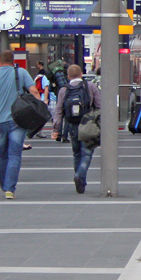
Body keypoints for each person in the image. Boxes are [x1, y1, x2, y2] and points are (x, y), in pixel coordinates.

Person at [0, 51, 42, 199]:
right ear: (13, 61)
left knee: (2, 155)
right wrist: (40, 108)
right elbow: (33, 91)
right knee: (14, 155)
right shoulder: (21, 72)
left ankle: (4, 184)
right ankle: (10, 188)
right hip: (18, 121)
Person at [51, 65, 101, 193]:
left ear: (68, 77)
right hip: (88, 124)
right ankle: (80, 175)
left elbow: (59, 111)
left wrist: (56, 129)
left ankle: (79, 180)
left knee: (76, 154)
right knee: (87, 153)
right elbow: (100, 106)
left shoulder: (64, 90)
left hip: (72, 125)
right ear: (81, 74)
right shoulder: (90, 86)